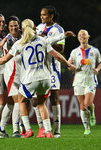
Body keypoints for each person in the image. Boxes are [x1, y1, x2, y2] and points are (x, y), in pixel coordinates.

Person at [0, 19, 76, 138]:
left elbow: (4, 59)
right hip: (46, 79)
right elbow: (57, 55)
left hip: (31, 79)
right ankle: (48, 131)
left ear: (22, 29)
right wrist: (69, 65)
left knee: (21, 100)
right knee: (41, 104)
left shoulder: (20, 43)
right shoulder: (42, 40)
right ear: (34, 28)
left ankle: (28, 130)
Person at [34, 5, 64, 138]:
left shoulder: (58, 29)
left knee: (54, 98)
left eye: (44, 15)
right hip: (39, 68)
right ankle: (42, 129)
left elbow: (61, 49)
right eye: (41, 14)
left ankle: (57, 130)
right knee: (37, 100)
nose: (41, 17)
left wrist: (46, 40)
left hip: (52, 68)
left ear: (51, 16)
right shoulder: (38, 27)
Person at [68, 29, 101, 135]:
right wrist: (70, 65)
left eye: (84, 34)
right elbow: (70, 67)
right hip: (78, 80)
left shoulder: (95, 51)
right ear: (78, 38)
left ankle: (92, 112)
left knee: (87, 104)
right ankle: (87, 128)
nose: (81, 36)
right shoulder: (74, 52)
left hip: (90, 80)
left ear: (88, 36)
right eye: (79, 35)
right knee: (82, 106)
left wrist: (97, 69)